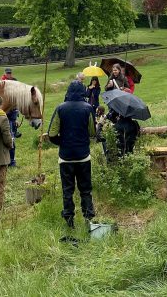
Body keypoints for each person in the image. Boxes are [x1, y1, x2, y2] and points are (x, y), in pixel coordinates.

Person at [47, 80, 96, 228]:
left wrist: (62, 143)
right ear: (83, 92)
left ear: (68, 92)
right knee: (85, 189)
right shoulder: (88, 108)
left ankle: (69, 220)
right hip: (83, 156)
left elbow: (52, 134)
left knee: (67, 190)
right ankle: (88, 218)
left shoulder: (60, 108)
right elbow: (93, 132)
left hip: (65, 157)